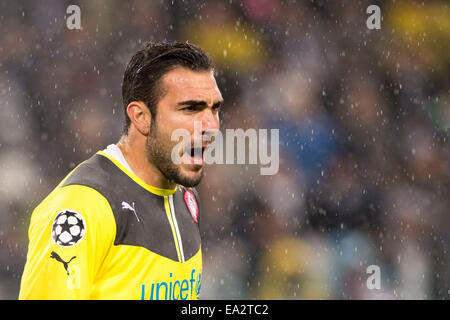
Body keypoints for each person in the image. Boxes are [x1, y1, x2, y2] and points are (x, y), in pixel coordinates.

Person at [19, 41, 223, 300]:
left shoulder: (186, 198)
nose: (210, 125)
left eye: (214, 108)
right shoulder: (82, 205)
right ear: (141, 117)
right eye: (190, 108)